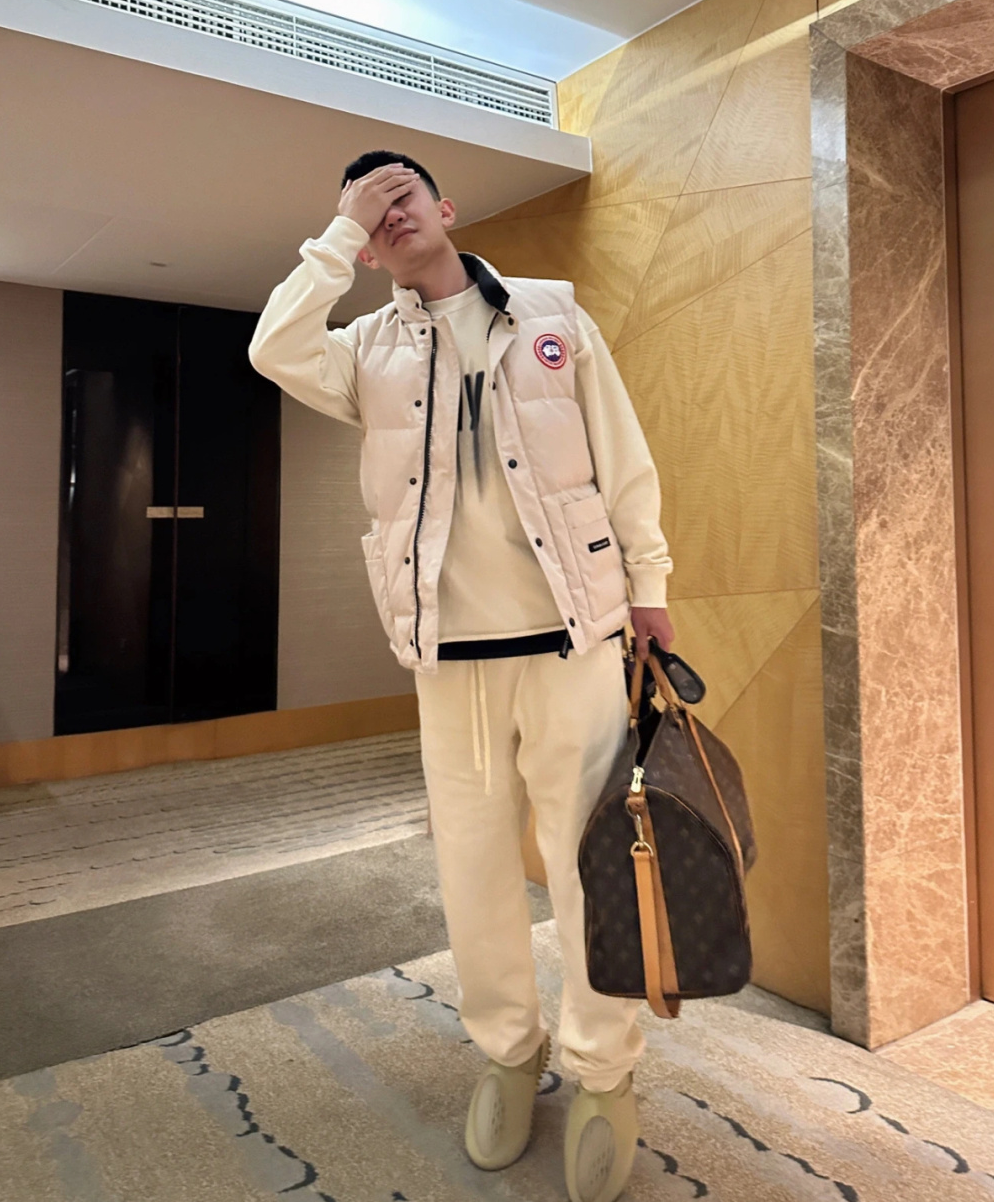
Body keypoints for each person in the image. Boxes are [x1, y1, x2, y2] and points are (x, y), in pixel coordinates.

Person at [249, 151, 674, 1202]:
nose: (386, 213)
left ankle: (605, 1066)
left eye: (398, 193)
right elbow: (272, 346)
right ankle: (509, 1049)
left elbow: (622, 454)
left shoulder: (552, 315)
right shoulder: (365, 350)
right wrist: (336, 235)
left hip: (573, 641)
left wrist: (652, 584)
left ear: (443, 206)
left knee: (591, 864)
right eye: (366, 209)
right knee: (473, 871)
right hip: (448, 658)